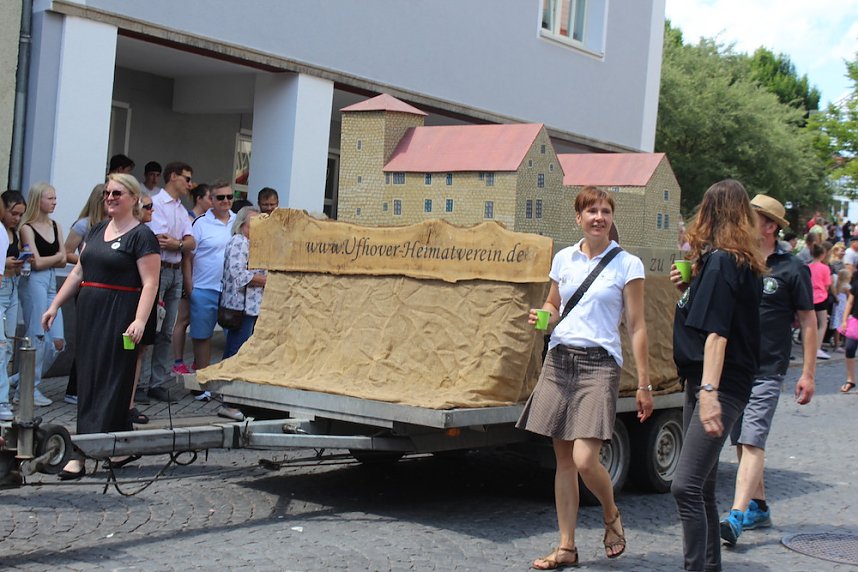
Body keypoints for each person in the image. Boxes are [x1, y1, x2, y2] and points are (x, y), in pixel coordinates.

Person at [516, 186, 652, 569]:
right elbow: (555, 304)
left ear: (612, 218)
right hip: (560, 361)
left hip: (600, 366)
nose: (598, 216)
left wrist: (644, 384)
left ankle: (611, 514)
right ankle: (566, 547)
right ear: (578, 218)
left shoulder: (628, 264)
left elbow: (638, 326)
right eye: (591, 210)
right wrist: (543, 314)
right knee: (563, 461)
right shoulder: (564, 259)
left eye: (605, 210)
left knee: (585, 458)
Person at [707, 194, 816, 547]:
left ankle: (736, 515)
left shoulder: (791, 268)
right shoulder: (741, 262)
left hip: (768, 369)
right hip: (737, 367)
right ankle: (759, 506)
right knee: (741, 440)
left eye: (752, 218)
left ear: (769, 226)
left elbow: (808, 321)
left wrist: (809, 373)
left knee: (752, 438)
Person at [670, 179, 765, 572]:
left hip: (719, 383)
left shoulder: (724, 261)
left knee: (685, 486)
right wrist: (691, 284)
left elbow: (718, 334)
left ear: (710, 212)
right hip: (708, 381)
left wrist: (708, 390)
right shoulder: (723, 261)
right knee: (703, 487)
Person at [42, 173, 160, 480]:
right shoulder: (95, 230)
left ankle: (81, 452)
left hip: (121, 315)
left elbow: (150, 283)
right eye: (107, 192)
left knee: (109, 380)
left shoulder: (142, 236)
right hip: (91, 314)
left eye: (117, 193)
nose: (110, 197)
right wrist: (55, 305)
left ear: (134, 198)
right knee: (93, 378)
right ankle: (118, 445)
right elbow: (79, 271)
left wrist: (140, 320)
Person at [139, 162, 196, 403]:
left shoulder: (182, 210)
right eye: (186, 178)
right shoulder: (155, 202)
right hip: (158, 269)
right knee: (150, 327)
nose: (190, 184)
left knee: (167, 330)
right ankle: (139, 384)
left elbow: (190, 242)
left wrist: (180, 244)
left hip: (174, 271)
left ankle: (158, 382)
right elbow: (160, 239)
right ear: (173, 177)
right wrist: (179, 243)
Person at [16, 183, 67, 407]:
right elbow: (35, 263)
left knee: (57, 340)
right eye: (50, 198)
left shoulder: (56, 225)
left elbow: (64, 258)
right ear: (38, 200)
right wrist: (55, 257)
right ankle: (28, 388)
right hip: (33, 281)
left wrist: (53, 258)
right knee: (36, 333)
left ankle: (20, 380)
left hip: (51, 279)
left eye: (55, 198)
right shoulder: (26, 227)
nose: (54, 202)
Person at [218, 206, 266, 420]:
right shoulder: (239, 241)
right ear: (243, 225)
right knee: (235, 352)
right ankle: (228, 402)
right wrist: (267, 281)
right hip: (241, 307)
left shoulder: (257, 244)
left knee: (243, 353)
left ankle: (240, 399)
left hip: (254, 307)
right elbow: (238, 274)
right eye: (254, 223)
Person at [188, 181, 235, 371]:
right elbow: (188, 257)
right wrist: (190, 287)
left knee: (235, 337)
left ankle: (227, 381)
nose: (226, 201)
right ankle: (202, 381)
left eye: (229, 197)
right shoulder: (200, 223)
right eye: (220, 197)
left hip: (231, 291)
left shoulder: (239, 221)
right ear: (212, 200)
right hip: (203, 288)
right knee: (202, 336)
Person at [171, 183, 211, 377]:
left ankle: (197, 361)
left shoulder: (206, 220)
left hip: (199, 280)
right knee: (184, 319)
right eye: (210, 198)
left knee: (197, 321)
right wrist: (189, 283)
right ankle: (178, 361)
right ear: (199, 199)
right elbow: (188, 253)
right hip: (189, 278)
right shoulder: (190, 218)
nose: (213, 202)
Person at [128, 192, 157, 425]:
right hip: (130, 300)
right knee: (129, 353)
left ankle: (129, 402)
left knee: (139, 353)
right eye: (147, 207)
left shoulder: (146, 235)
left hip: (145, 300)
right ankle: (126, 403)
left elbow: (151, 278)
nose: (151, 211)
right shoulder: (135, 234)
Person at [0, 192, 23, 421]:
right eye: (13, 213)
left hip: (13, 284)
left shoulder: (13, 233)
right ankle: (1, 399)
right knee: (1, 345)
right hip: (3, 286)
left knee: (8, 345)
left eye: (20, 215)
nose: (16, 218)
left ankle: (5, 391)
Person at [808, 243, 833, 360]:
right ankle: (817, 348)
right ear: (822, 254)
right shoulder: (825, 268)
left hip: (808, 297)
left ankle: (808, 347)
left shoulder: (807, 266)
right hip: (821, 297)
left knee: (809, 324)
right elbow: (827, 284)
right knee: (823, 324)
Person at [831, 268, 851, 354]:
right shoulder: (847, 286)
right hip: (844, 308)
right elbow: (850, 298)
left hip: (837, 307)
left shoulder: (837, 285)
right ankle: (843, 344)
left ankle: (836, 344)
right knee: (845, 325)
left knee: (837, 326)